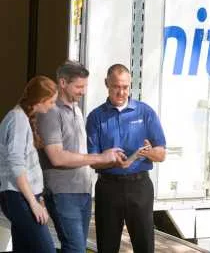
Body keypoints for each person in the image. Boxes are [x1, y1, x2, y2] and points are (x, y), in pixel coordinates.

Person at [37, 60, 125, 253]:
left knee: (77, 248)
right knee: (75, 248)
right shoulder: (51, 112)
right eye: (78, 86)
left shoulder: (76, 109)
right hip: (63, 193)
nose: (83, 91)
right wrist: (100, 158)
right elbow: (57, 157)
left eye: (85, 86)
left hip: (83, 191)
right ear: (62, 83)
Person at [86, 64, 166, 253]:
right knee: (107, 246)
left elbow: (161, 154)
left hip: (139, 187)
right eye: (116, 87)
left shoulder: (145, 113)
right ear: (107, 84)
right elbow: (91, 159)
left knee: (144, 245)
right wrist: (111, 160)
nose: (121, 92)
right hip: (108, 188)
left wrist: (148, 153)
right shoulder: (96, 117)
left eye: (125, 87)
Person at [0, 75, 57, 253]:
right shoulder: (17, 119)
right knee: (46, 249)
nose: (53, 106)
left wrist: (36, 197)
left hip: (21, 196)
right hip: (19, 197)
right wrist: (33, 203)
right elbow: (15, 164)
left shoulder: (22, 117)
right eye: (51, 102)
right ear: (40, 100)